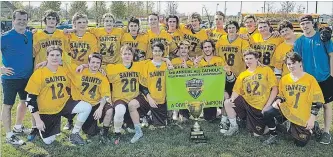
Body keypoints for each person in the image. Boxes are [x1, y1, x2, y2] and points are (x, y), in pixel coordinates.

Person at [25, 46, 92, 145]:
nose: (55, 58)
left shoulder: (64, 69)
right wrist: (38, 121)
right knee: (49, 141)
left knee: (86, 107)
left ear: (61, 58)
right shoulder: (39, 73)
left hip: (63, 103)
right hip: (47, 110)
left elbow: (82, 67)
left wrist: (83, 66)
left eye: (57, 55)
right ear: (47, 57)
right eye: (52, 55)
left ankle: (74, 133)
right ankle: (54, 123)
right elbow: (30, 100)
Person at [262, 52, 324, 147]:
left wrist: (312, 118)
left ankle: (314, 126)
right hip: (287, 110)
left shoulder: (310, 79)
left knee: (300, 143)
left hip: (302, 114)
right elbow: (281, 95)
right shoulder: (285, 79)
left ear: (300, 63)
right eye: (288, 64)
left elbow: (318, 102)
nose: (291, 66)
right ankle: (273, 134)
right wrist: (278, 100)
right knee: (267, 112)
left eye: (293, 63)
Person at [294, 15, 333, 144]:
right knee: (309, 105)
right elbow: (297, 61)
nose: (305, 26)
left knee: (326, 105)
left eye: (307, 23)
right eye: (302, 24)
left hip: (325, 77)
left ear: (312, 24)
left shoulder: (323, 37)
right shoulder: (299, 42)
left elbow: (331, 55)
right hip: (308, 79)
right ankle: (312, 127)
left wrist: (332, 74)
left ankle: (326, 132)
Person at [224, 50, 278, 137]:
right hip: (247, 102)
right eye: (246, 59)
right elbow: (236, 90)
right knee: (227, 102)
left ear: (257, 59)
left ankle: (271, 121)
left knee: (257, 134)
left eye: (251, 58)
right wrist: (232, 98)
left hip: (260, 106)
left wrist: (268, 105)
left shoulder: (266, 70)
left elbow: (274, 89)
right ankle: (234, 126)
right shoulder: (243, 74)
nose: (248, 61)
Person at [1, 9, 33, 145]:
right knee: (8, 105)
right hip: (11, 78)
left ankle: (18, 127)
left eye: (24, 19)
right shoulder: (5, 37)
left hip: (28, 77)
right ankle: (9, 135)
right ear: (13, 20)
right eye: (19, 19)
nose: (22, 21)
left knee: (25, 102)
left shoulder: (30, 35)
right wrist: (1, 69)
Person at [128, 42, 170, 144]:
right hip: (148, 97)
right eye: (155, 51)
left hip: (161, 99)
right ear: (152, 51)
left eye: (159, 51)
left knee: (161, 126)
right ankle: (138, 131)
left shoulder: (167, 65)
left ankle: (149, 116)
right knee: (132, 105)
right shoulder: (146, 64)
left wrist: (169, 65)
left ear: (163, 52)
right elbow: (142, 85)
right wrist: (149, 97)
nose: (157, 53)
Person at [66, 53, 112, 142]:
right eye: (93, 62)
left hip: (97, 103)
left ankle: (105, 132)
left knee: (109, 110)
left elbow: (105, 95)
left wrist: (100, 108)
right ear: (88, 63)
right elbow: (65, 62)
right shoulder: (80, 71)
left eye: (98, 63)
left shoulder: (102, 77)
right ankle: (87, 126)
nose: (95, 65)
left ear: (100, 64)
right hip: (84, 104)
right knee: (90, 132)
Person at [193, 39, 234, 122]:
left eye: (209, 47)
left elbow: (228, 77)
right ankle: (216, 112)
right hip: (206, 90)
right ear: (203, 49)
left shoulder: (219, 59)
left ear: (212, 48)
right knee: (209, 118)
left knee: (225, 96)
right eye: (205, 47)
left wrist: (228, 71)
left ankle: (224, 118)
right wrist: (195, 66)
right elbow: (195, 78)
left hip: (218, 88)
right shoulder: (199, 61)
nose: (207, 49)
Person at [170, 40, 194, 121]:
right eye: (181, 48)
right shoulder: (173, 61)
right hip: (176, 88)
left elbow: (195, 77)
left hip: (188, 88)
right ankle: (175, 110)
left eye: (186, 48)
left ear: (188, 50)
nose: (183, 50)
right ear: (179, 50)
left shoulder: (192, 62)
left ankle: (188, 110)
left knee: (184, 119)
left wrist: (187, 68)